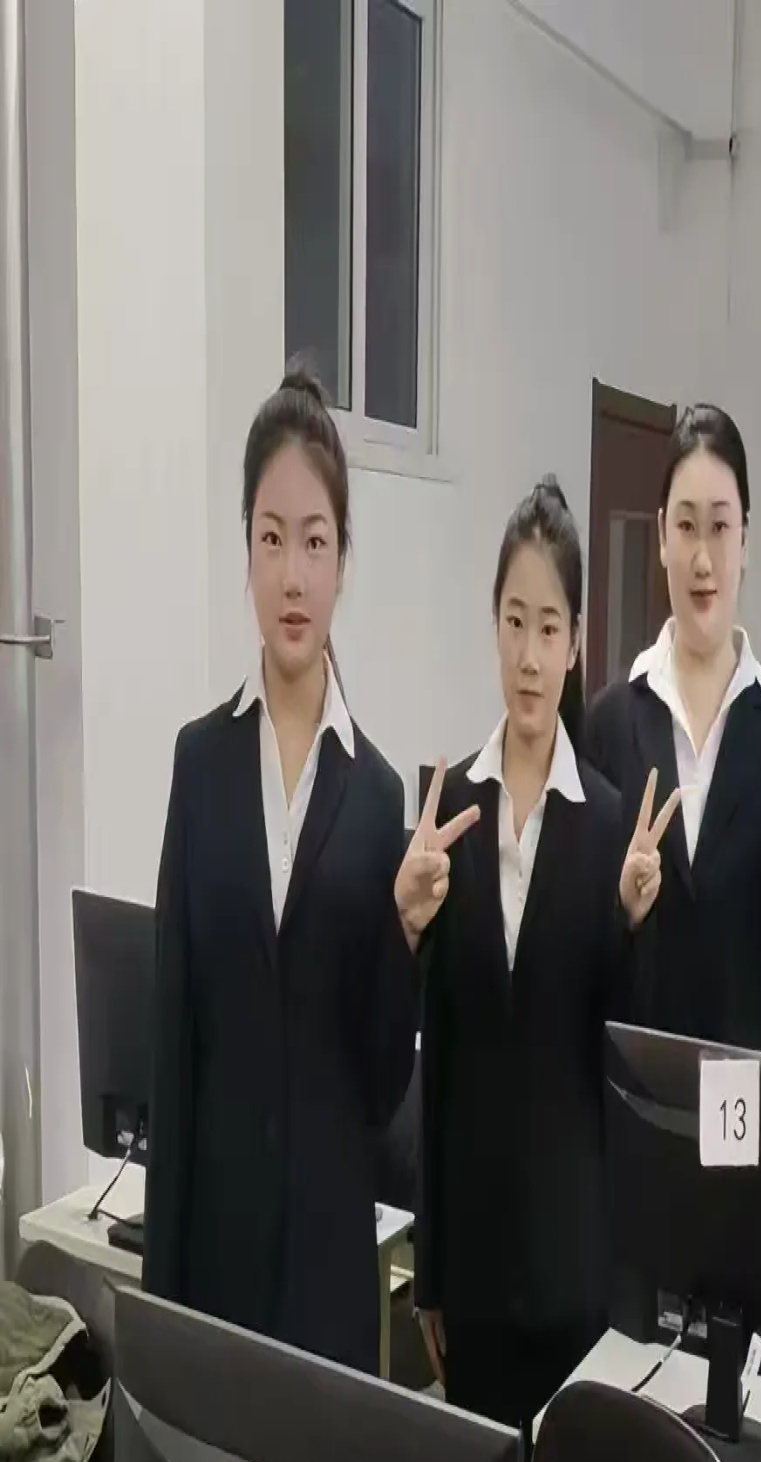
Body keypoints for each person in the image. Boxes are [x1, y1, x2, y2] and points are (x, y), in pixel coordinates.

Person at [142, 369, 476, 1374]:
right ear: (246, 550)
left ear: (343, 562)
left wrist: (404, 933)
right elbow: (173, 1048)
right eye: (273, 537)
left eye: (316, 541)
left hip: (330, 1278)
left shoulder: (377, 796)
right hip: (212, 1267)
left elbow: (376, 1084)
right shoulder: (200, 764)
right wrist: (161, 1314)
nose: (293, 575)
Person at [412, 476, 676, 1431]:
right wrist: (430, 1271)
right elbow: (438, 1054)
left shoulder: (608, 823)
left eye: (549, 628)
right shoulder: (448, 811)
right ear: (494, 627)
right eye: (514, 623)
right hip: (473, 1274)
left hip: (575, 1274)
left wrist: (633, 922)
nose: (528, 657)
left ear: (574, 643)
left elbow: (621, 1059)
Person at [583, 403, 761, 1055]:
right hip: (634, 1092)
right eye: (686, 526)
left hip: (743, 1104)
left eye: (721, 528)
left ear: (745, 542)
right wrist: (622, 910)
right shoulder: (609, 725)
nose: (703, 558)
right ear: (661, 537)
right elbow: (574, 966)